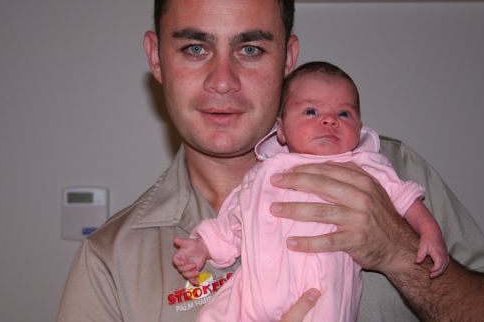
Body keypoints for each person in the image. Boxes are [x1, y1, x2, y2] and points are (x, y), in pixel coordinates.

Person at [57, 0, 484, 321]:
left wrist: (399, 250)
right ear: (156, 58)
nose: (222, 81)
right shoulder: (112, 261)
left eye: (250, 49)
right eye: (195, 48)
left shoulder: (390, 168)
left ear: (287, 59)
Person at [173, 61, 448, 321]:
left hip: (322, 292)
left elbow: (404, 197)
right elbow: (236, 218)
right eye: (311, 112)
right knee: (213, 315)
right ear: (281, 130)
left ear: (359, 127)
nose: (329, 120)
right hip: (253, 291)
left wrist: (428, 230)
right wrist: (202, 246)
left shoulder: (363, 166)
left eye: (344, 113)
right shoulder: (263, 174)